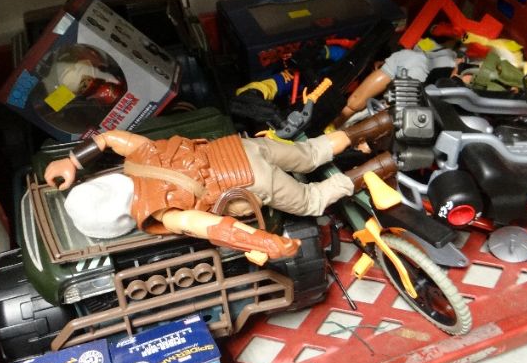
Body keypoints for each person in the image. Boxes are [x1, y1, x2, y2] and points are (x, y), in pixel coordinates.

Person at [44, 111, 395, 263]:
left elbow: (212, 226)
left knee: (311, 200)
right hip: (242, 147)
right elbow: (110, 139)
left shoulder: (162, 213)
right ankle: (376, 123)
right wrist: (73, 161)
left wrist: (264, 242)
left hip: (252, 181)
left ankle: (380, 166)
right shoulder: (139, 156)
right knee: (310, 153)